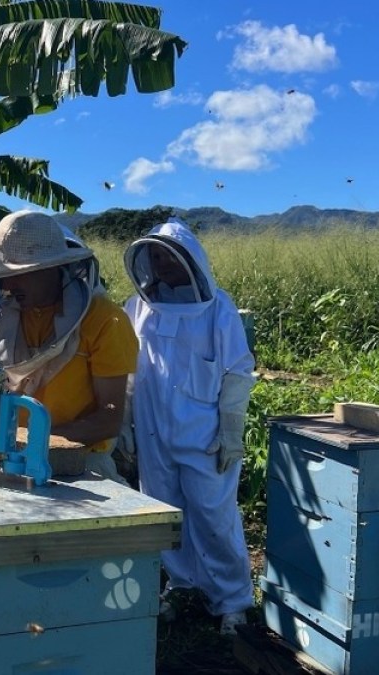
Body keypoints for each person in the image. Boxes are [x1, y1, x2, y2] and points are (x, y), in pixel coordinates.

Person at [119, 217, 256, 636]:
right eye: (155, 257)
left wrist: (231, 431)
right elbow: (126, 370)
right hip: (154, 431)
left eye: (168, 256)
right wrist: (125, 426)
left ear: (190, 259)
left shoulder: (218, 308)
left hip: (204, 435)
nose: (161, 265)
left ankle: (233, 601)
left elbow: (236, 371)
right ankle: (181, 584)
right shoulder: (138, 306)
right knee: (164, 510)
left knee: (214, 518)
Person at [0, 211, 137, 481]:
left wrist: (42, 441)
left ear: (50, 268)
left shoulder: (105, 320)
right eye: (3, 275)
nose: (7, 285)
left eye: (19, 274)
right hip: (13, 461)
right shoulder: (8, 317)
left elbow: (109, 418)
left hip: (80, 466)